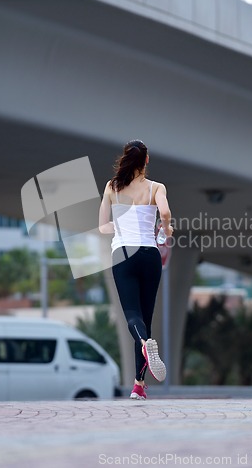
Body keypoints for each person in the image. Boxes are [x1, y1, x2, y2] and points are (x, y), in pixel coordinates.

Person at [99, 140, 173, 400]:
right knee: (146, 318)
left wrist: (120, 229)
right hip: (149, 254)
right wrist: (166, 229)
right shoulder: (156, 187)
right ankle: (139, 386)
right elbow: (165, 213)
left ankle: (144, 347)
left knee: (133, 316)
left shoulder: (112, 187)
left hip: (123, 254)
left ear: (125, 158)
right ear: (147, 160)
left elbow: (103, 226)